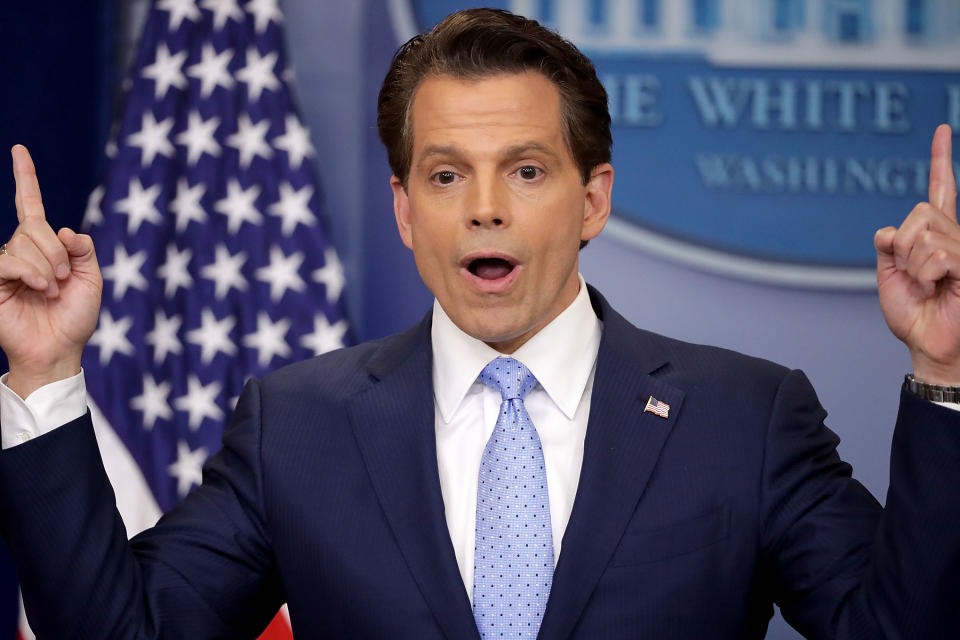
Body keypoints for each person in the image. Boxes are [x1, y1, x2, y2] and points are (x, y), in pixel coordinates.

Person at [0, 8, 958, 639]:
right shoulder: (298, 426)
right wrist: (45, 379)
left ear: (593, 200)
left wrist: (945, 372)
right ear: (407, 210)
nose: (485, 208)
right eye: (447, 174)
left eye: (528, 171)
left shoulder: (744, 417)